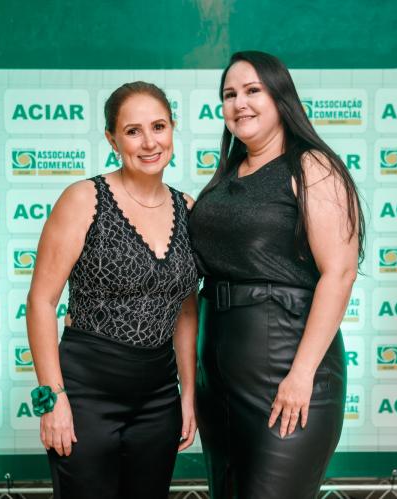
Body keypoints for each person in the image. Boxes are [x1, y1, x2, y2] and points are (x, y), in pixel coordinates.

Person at [189, 51, 365, 498]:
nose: (239, 103)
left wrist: (301, 374)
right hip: (218, 376)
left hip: (287, 365)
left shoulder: (311, 166)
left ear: (280, 97)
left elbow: (340, 273)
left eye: (253, 91)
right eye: (229, 94)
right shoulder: (225, 177)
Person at [26, 81, 199, 499]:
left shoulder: (189, 208)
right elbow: (41, 302)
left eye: (158, 126)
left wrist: (188, 394)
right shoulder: (83, 199)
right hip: (86, 394)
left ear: (172, 128)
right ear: (112, 139)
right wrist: (53, 399)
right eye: (133, 131)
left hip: (159, 396)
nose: (149, 142)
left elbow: (186, 309)